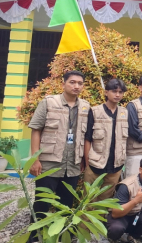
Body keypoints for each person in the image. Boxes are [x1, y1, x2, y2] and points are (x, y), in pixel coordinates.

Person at [28, 71, 90, 221]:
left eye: (80, 83)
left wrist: (83, 159)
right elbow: (36, 129)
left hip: (72, 165)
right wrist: (35, 159)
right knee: (42, 203)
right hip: (49, 164)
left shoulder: (85, 106)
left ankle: (62, 235)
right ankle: (35, 237)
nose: (76, 86)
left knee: (66, 205)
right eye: (72, 82)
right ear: (64, 84)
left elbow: (85, 135)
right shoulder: (49, 102)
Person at [83, 78, 128, 202]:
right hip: (95, 163)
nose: (117, 95)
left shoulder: (125, 113)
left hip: (115, 165)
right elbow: (88, 138)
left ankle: (101, 222)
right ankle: (85, 222)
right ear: (106, 92)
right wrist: (87, 163)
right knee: (88, 199)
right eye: (114, 91)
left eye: (120, 92)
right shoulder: (95, 111)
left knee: (106, 200)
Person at [106, 155, 142, 242]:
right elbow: (115, 213)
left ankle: (132, 236)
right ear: (140, 170)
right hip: (122, 216)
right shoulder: (127, 186)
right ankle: (112, 238)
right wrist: (135, 201)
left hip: (138, 214)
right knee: (116, 229)